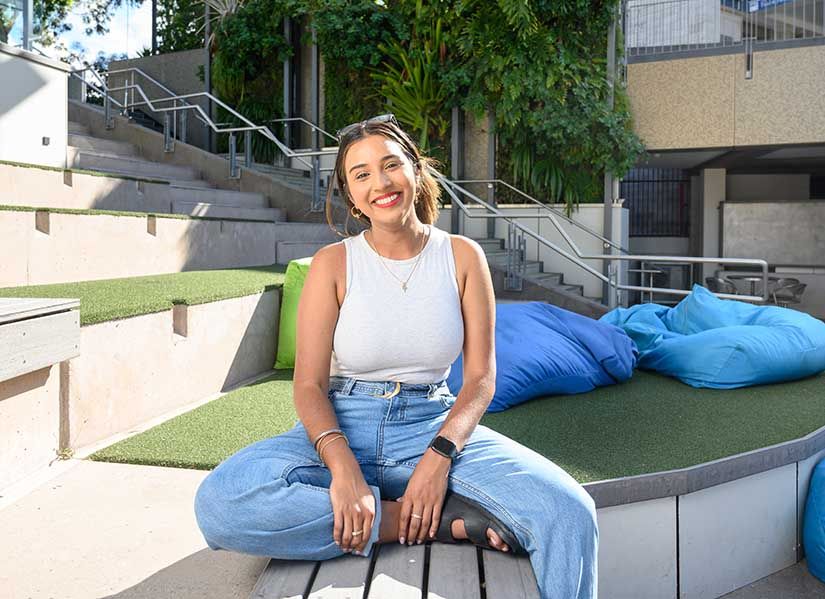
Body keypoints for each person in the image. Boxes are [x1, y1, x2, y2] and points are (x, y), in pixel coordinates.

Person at [194, 114, 598, 598]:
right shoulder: (334, 263)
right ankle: (425, 520)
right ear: (351, 195)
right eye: (361, 174)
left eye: (391, 165)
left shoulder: (464, 256)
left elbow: (481, 379)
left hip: (432, 424)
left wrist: (440, 456)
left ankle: (417, 503)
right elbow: (307, 385)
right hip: (343, 424)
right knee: (219, 503)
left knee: (571, 512)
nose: (380, 183)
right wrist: (344, 472)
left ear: (416, 170)